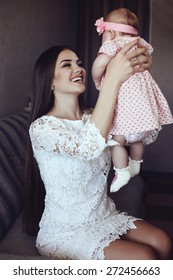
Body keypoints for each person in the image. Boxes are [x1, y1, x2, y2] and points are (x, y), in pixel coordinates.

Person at [23, 42, 172, 260]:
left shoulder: (92, 116)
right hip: (66, 232)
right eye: (67, 65)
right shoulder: (42, 128)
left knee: (163, 241)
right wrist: (112, 78)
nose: (79, 69)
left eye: (79, 63)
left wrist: (139, 76)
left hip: (104, 216)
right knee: (144, 258)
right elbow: (88, 146)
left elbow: (136, 133)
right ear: (50, 81)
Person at [92, 8, 173, 193]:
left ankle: (122, 172)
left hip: (127, 108)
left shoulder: (112, 45)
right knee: (137, 139)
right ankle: (135, 164)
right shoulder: (140, 44)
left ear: (110, 33)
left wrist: (97, 80)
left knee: (116, 141)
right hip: (144, 111)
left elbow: (99, 64)